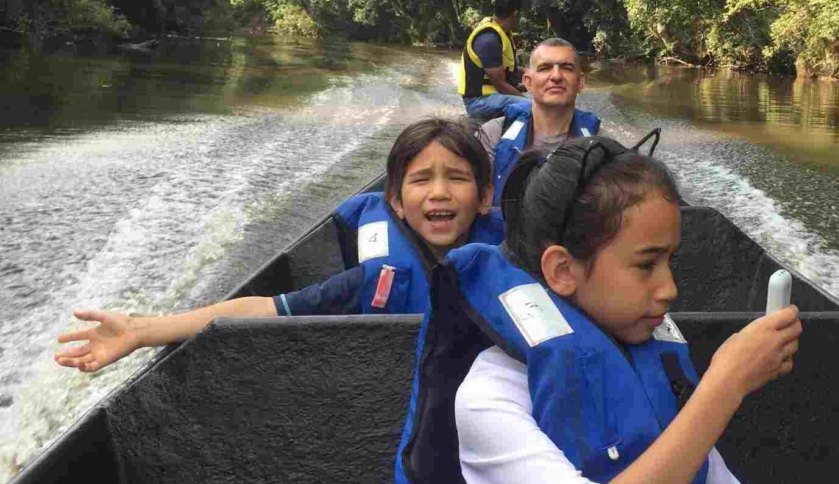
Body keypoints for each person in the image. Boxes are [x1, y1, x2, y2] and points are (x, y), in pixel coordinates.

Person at [394, 135, 802, 484]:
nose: (670, 289)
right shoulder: (489, 395)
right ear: (563, 270)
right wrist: (726, 383)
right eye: (646, 264)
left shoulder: (657, 369)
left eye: (670, 261)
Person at [53, 117, 504, 374]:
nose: (440, 193)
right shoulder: (373, 282)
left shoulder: (519, 262)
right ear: (396, 203)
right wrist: (141, 329)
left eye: (458, 179)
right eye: (421, 180)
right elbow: (265, 309)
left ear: (485, 197)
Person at [477, 37, 600, 206]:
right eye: (545, 68)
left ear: (580, 82)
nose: (556, 76)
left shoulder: (600, 144)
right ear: (528, 82)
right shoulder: (493, 135)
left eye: (567, 68)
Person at [461, 0, 529, 121]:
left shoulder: (500, 31)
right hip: (478, 102)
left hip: (493, 96)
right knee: (530, 107)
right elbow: (501, 85)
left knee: (532, 102)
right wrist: (529, 102)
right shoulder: (489, 40)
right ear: (515, 13)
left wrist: (528, 73)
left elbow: (504, 68)